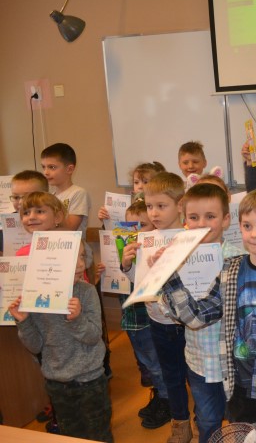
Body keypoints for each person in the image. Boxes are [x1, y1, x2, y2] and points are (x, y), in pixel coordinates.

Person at [160, 187, 256, 443]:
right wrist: (169, 277)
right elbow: (197, 317)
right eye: (247, 226)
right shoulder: (231, 269)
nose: (254, 234)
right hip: (239, 387)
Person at [157, 183, 241, 443]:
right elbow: (168, 308)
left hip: (233, 362)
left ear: (225, 220)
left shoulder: (238, 259)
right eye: (193, 217)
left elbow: (206, 314)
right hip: (198, 360)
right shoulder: (177, 258)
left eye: (210, 216)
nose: (201, 223)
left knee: (239, 422)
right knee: (206, 420)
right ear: (185, 220)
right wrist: (161, 273)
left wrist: (169, 277)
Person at [9, 243, 113, 442]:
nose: (81, 264)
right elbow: (35, 346)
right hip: (57, 383)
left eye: (82, 256)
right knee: (70, 435)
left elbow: (93, 336)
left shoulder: (86, 291)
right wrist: (24, 322)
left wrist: (77, 319)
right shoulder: (35, 298)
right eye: (73, 258)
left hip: (90, 381)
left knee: (98, 434)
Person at [121, 172, 192, 443]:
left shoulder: (190, 237)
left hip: (189, 323)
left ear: (180, 205)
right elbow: (141, 283)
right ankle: (180, 424)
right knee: (171, 375)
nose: (154, 213)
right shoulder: (146, 238)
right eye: (150, 206)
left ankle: (202, 419)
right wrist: (128, 265)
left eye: (161, 206)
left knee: (196, 376)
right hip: (158, 322)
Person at [99, 199, 171, 429]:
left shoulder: (156, 255)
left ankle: (167, 401)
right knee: (147, 363)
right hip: (131, 320)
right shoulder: (125, 252)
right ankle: (160, 394)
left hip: (148, 320)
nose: (135, 233)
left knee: (156, 364)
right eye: (129, 227)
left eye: (142, 226)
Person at [40, 143, 90, 236]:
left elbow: (70, 228)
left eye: (52, 167)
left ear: (69, 169)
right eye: (43, 167)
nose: (46, 172)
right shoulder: (50, 197)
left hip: (73, 245)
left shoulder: (78, 193)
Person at [97, 161, 166, 224]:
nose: (140, 186)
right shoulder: (130, 205)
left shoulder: (161, 205)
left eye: (145, 182)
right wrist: (106, 218)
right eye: (136, 182)